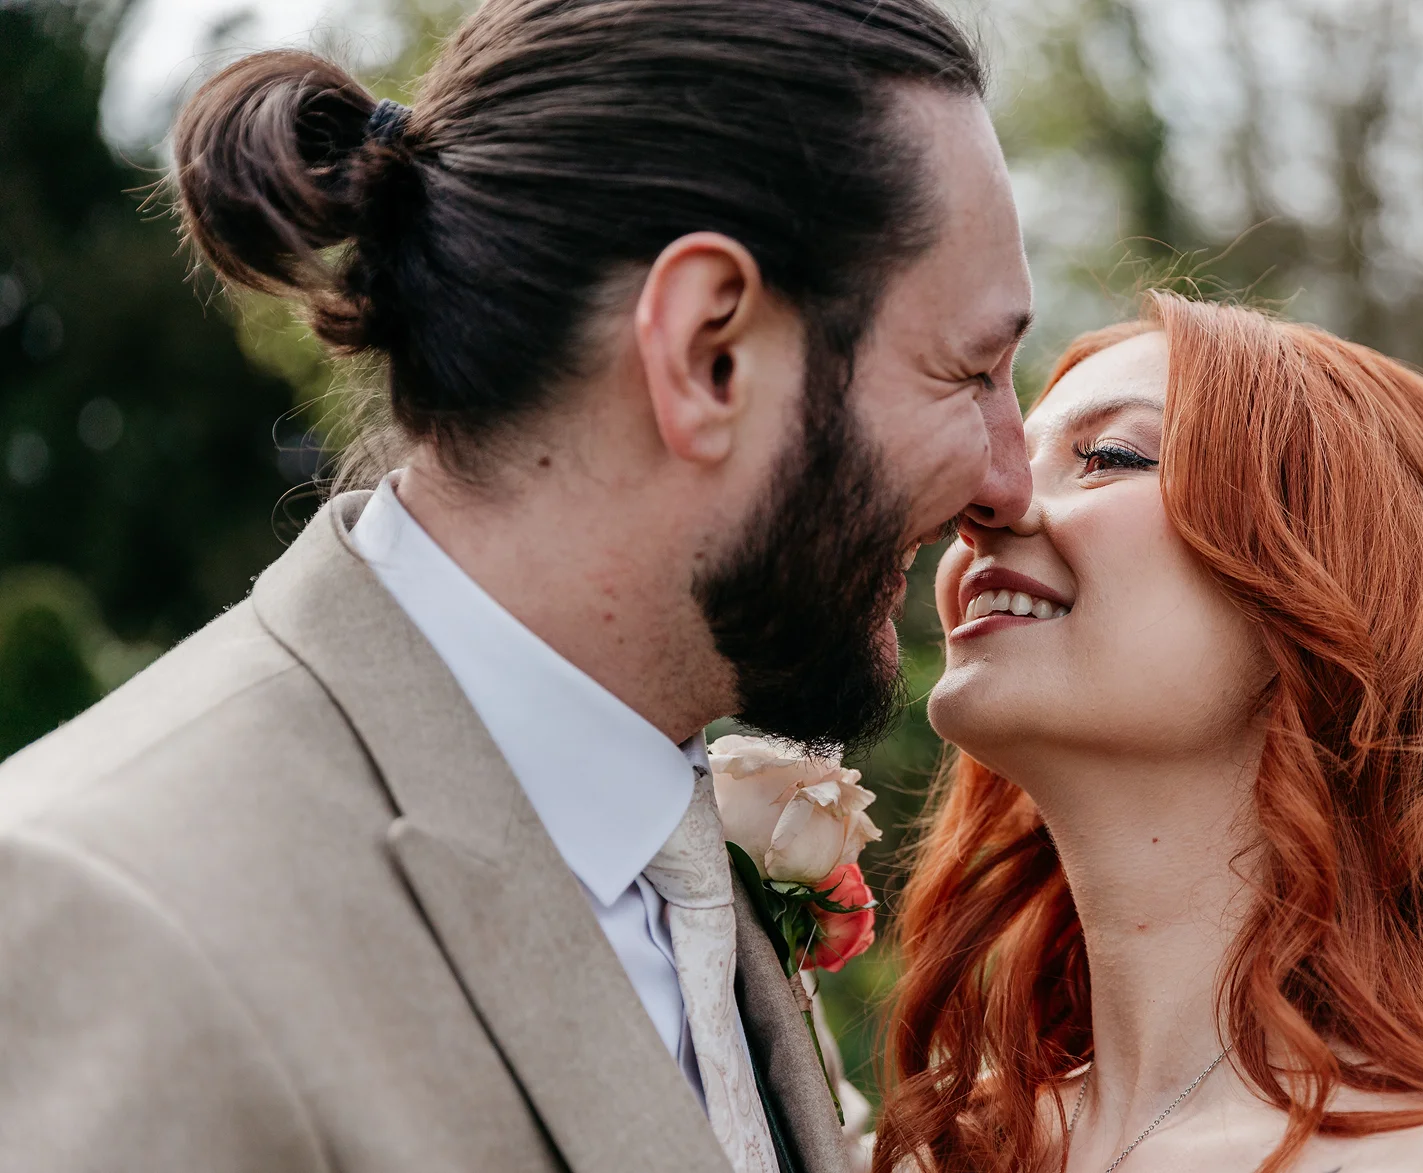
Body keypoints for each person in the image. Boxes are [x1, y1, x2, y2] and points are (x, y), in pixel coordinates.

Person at [0, 2, 1033, 1171]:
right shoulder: (119, 917)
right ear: (707, 351)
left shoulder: (690, 868)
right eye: (972, 371)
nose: (1010, 479)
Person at [878, 295, 1423, 1173]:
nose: (984, 504)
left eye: (1110, 456)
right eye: (1003, 461)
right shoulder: (946, 1148)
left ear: (1327, 590)